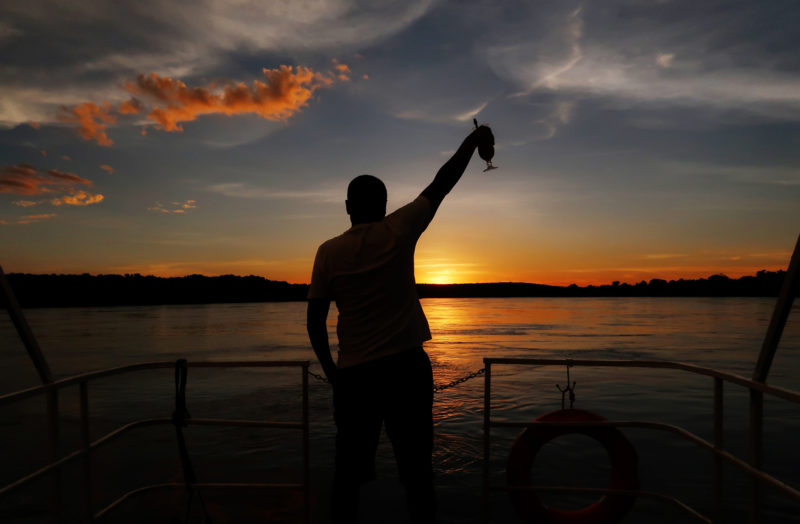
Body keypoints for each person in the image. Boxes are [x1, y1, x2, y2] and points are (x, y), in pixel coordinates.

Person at [306, 124, 495, 523]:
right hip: (406, 371)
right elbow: (442, 182)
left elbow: (314, 321)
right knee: (417, 473)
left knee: (348, 476)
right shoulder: (400, 228)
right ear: (386, 203)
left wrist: (332, 373)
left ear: (347, 206)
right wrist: (473, 141)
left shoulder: (328, 253)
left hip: (355, 377)